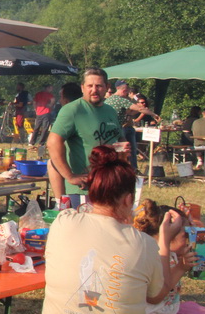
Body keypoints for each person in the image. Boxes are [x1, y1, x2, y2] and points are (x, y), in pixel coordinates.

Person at [41, 145, 183, 314]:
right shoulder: (143, 244)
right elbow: (157, 296)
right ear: (128, 200)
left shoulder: (62, 222)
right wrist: (164, 240)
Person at [134, 199, 205, 314]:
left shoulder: (172, 253)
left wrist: (191, 223)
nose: (189, 239)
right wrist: (181, 268)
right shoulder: (154, 255)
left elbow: (200, 244)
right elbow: (156, 292)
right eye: (185, 235)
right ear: (168, 235)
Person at [47, 67, 124, 209]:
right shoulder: (73, 110)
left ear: (107, 87)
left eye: (99, 86)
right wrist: (70, 176)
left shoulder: (110, 111)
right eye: (90, 86)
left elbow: (119, 140)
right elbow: (53, 143)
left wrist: (123, 149)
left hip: (110, 184)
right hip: (84, 190)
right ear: (82, 88)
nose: (94, 90)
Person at [105, 79, 158, 172]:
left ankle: (118, 170)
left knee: (115, 152)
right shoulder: (120, 100)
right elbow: (139, 109)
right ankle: (127, 170)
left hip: (107, 130)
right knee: (124, 151)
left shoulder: (109, 100)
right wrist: (153, 114)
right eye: (127, 90)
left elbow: (129, 112)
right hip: (116, 130)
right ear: (124, 90)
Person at [46, 82, 84, 206]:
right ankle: (61, 204)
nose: (59, 100)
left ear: (66, 100)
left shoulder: (68, 112)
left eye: (61, 97)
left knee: (52, 163)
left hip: (79, 178)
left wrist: (70, 176)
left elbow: (52, 143)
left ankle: (61, 205)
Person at [29, 84, 54, 148]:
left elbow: (34, 102)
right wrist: (50, 105)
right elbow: (53, 100)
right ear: (47, 88)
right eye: (51, 88)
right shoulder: (49, 95)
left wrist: (36, 110)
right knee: (45, 128)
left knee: (36, 128)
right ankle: (41, 143)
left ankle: (32, 142)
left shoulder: (38, 94)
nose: (52, 89)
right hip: (46, 112)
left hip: (39, 113)